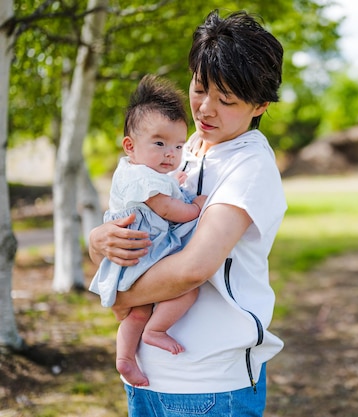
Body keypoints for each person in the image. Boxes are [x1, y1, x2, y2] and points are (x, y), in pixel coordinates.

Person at [88, 9, 286, 417]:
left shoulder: (249, 166)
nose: (205, 110)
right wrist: (98, 241)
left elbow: (193, 268)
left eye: (226, 100)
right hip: (147, 373)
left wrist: (116, 293)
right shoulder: (183, 146)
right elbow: (133, 222)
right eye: (199, 89)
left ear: (260, 105)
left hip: (208, 383)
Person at [89, 74, 208, 387]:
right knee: (188, 290)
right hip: (146, 251)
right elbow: (168, 210)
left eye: (178, 146)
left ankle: (125, 359)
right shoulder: (142, 176)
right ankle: (155, 332)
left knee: (137, 312)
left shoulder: (146, 171)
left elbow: (166, 193)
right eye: (159, 143)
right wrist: (195, 208)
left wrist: (175, 184)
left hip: (140, 254)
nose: (171, 153)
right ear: (130, 145)